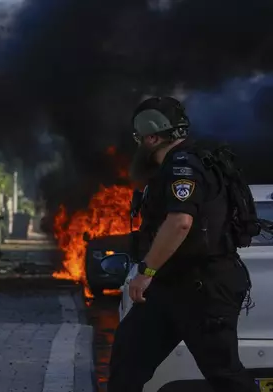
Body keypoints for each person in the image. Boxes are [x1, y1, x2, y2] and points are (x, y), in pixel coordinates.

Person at [107, 96, 258, 392]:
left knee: (224, 374)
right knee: (127, 361)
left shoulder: (183, 166)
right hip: (169, 287)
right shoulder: (184, 163)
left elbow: (180, 222)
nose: (138, 145)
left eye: (140, 138)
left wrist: (146, 272)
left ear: (152, 137)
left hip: (203, 287)